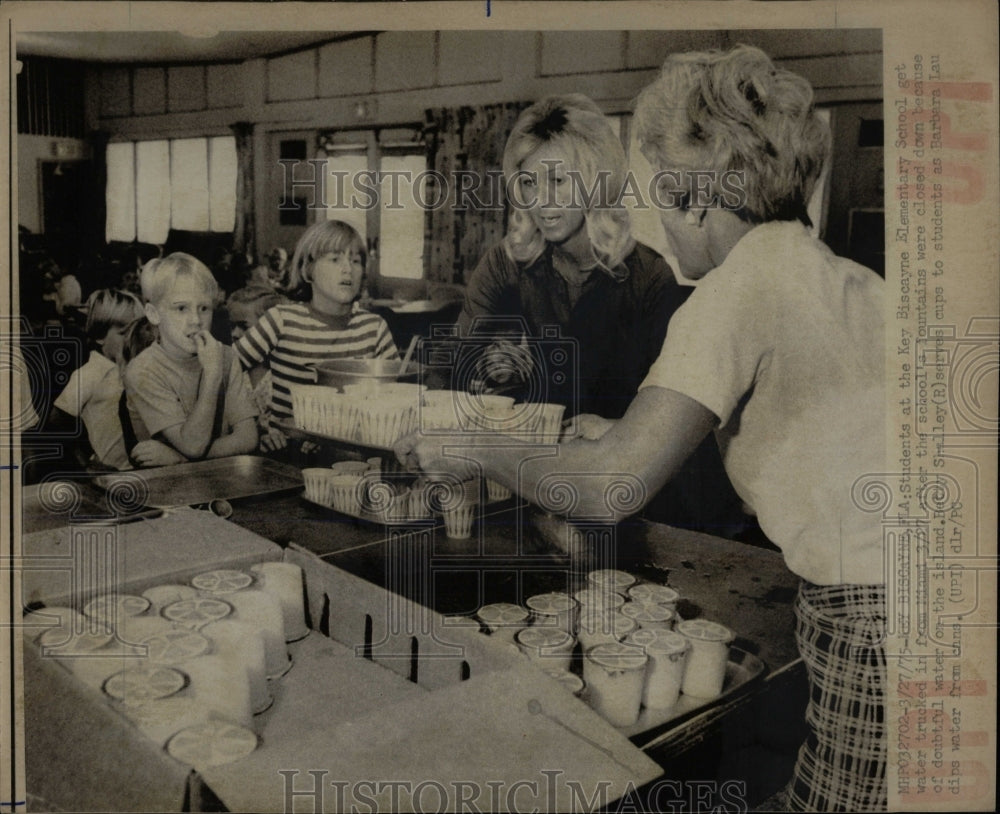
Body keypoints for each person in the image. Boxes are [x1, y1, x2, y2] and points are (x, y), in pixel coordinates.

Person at [398, 45, 886, 813]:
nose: (657, 219)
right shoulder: (850, 279)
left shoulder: (730, 290)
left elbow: (613, 488)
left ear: (695, 198)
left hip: (872, 617)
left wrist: (470, 446)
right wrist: (613, 431)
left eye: (662, 195)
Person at [458, 93, 743, 535]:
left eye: (558, 181)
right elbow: (459, 375)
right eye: (529, 183)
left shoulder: (649, 279)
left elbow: (683, 432)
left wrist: (614, 431)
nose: (542, 202)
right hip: (523, 494)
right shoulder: (504, 267)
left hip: (629, 509)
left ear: (596, 181)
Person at [233, 219, 398, 447]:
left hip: (353, 457)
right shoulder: (281, 320)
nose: (347, 268)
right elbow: (224, 371)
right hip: (288, 456)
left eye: (356, 260)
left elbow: (397, 397)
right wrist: (254, 427)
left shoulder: (374, 328)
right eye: (335, 259)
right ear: (308, 269)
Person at [124, 253, 259, 461]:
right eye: (181, 308)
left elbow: (248, 438)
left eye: (204, 308)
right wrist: (213, 375)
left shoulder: (225, 355)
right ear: (153, 314)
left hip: (219, 480)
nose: (195, 320)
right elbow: (193, 445)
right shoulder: (142, 370)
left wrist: (180, 459)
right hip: (165, 487)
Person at [49, 289, 181, 470]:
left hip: (149, 465)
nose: (130, 340)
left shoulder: (140, 369)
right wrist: (86, 464)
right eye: (123, 333)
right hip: (112, 474)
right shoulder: (91, 372)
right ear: (99, 336)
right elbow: (57, 423)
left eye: (136, 333)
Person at [225, 285, 286, 448]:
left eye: (244, 326)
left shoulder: (283, 371)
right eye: (232, 326)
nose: (235, 333)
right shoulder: (234, 372)